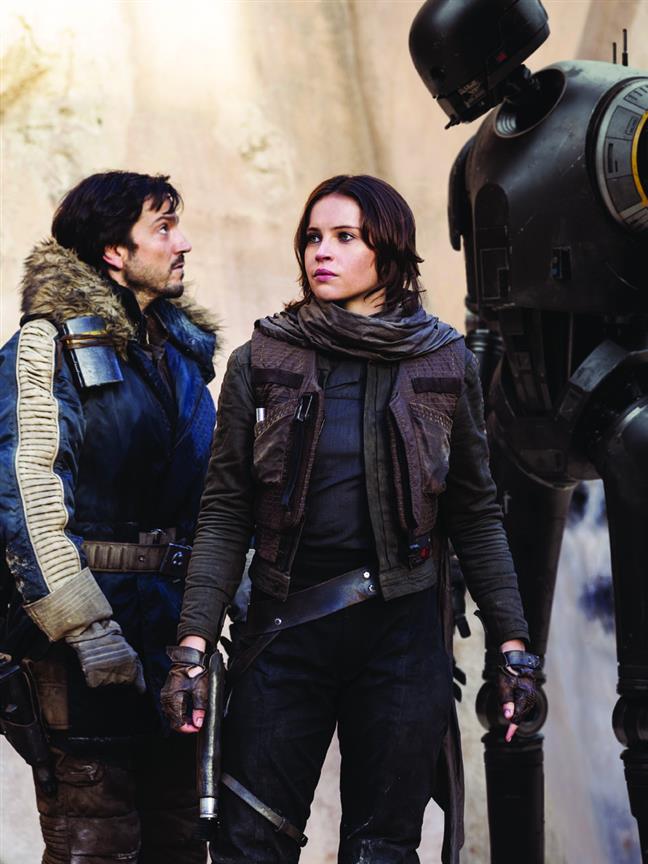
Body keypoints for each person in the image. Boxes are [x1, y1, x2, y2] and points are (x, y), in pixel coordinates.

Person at [161, 174, 539, 864]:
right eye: (312, 237)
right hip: (285, 630)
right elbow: (224, 512)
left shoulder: (443, 358)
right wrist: (192, 646)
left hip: (402, 638)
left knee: (381, 850)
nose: (321, 252)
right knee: (250, 844)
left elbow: (476, 513)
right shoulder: (262, 358)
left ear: (388, 251)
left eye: (344, 237)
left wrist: (513, 646)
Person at [0, 171, 218, 864]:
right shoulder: (47, 347)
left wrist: (213, 612)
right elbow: (27, 496)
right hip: (81, 650)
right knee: (97, 843)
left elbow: (216, 499)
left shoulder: (182, 359)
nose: (182, 243)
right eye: (164, 228)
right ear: (114, 252)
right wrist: (86, 628)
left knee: (179, 840)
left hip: (172, 640)